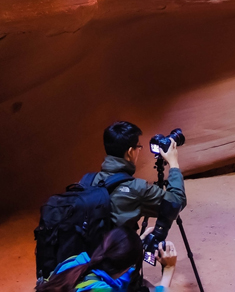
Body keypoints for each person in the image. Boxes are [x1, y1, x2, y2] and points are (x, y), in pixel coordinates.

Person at [97, 121, 187, 229]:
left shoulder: (87, 181)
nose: (139, 150)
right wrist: (174, 164)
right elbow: (177, 202)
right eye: (139, 146)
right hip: (117, 240)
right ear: (130, 152)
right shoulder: (137, 188)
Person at [36, 226, 178, 291]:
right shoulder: (101, 289)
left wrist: (132, 248)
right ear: (126, 267)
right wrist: (168, 269)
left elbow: (116, 275)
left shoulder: (75, 262)